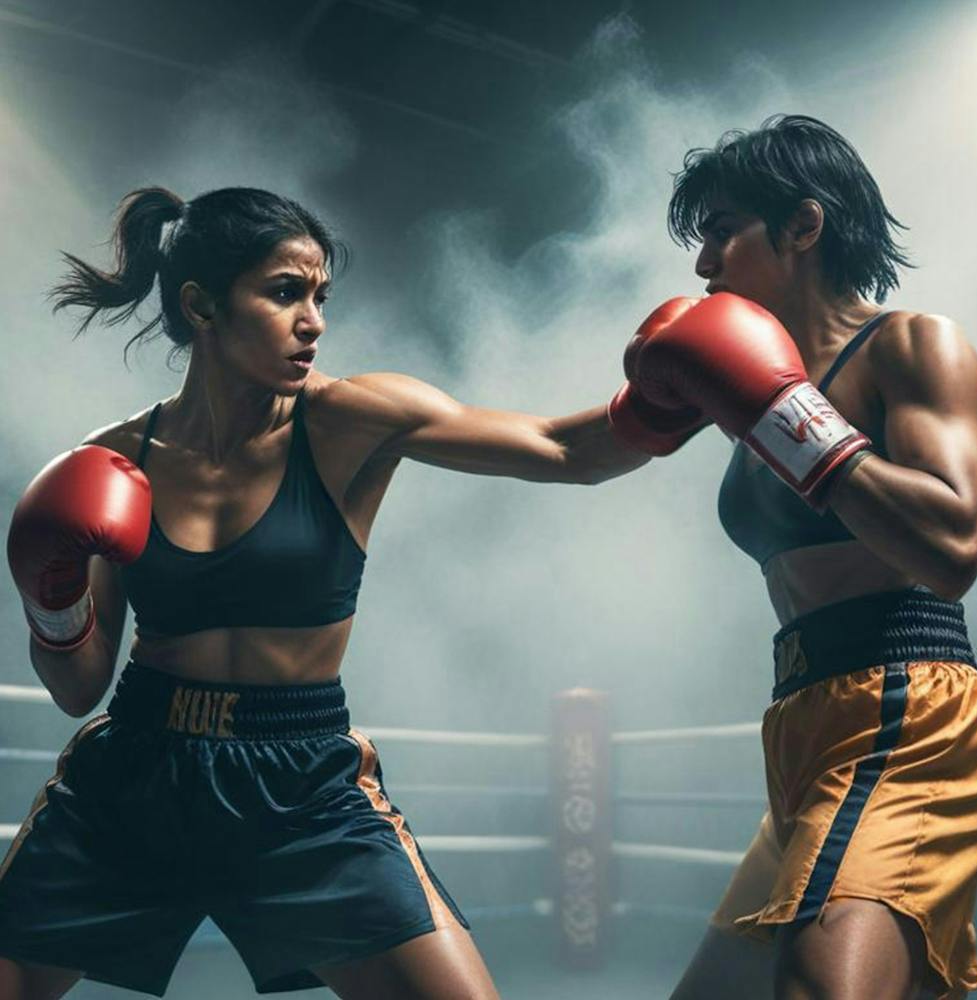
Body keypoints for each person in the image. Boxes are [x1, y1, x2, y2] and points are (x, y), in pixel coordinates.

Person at [0, 185, 669, 1000]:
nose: (313, 321)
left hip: (301, 785)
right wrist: (54, 599)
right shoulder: (116, 460)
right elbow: (78, 687)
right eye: (286, 292)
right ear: (201, 306)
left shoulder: (351, 418)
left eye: (320, 296)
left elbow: (566, 449)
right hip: (137, 778)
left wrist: (680, 396)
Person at [617, 115, 977, 1000]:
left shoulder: (912, 345)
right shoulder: (749, 384)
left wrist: (788, 417)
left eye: (722, 232)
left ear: (803, 225)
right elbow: (574, 450)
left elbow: (954, 547)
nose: (702, 265)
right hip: (804, 722)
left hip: (905, 708)